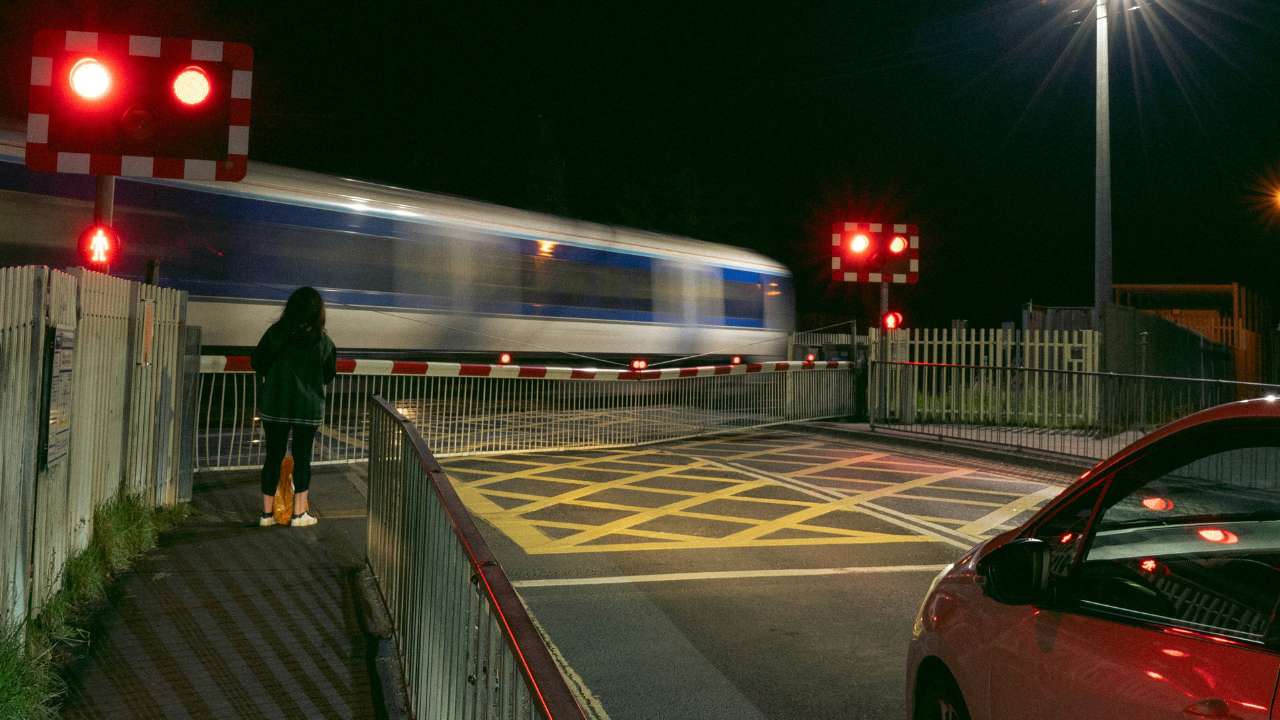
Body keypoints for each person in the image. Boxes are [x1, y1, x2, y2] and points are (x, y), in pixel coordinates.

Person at [251, 286, 337, 527]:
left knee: (273, 457)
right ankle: (299, 514)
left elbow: (257, 362)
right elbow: (329, 375)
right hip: (307, 409)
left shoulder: (275, 334)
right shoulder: (323, 341)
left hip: (275, 405)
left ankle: (266, 515)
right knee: (302, 458)